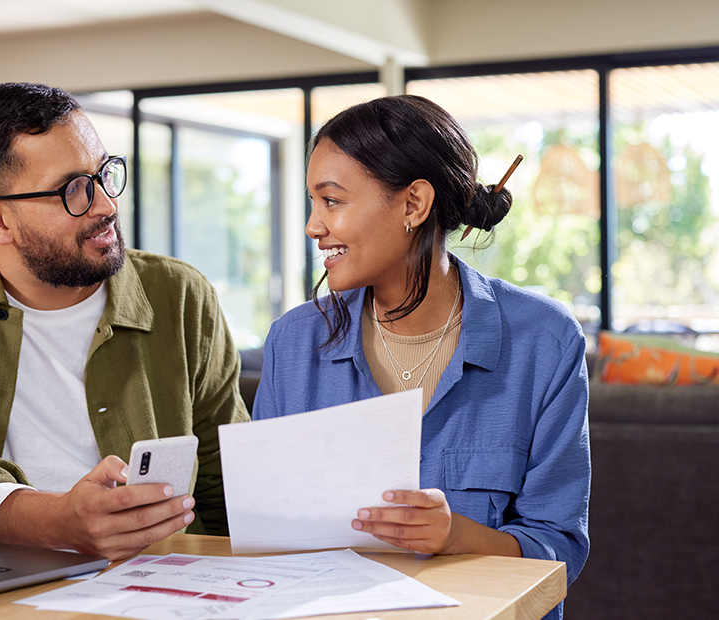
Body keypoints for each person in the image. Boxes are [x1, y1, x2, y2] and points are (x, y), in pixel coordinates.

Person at [0, 82, 249, 561]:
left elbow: (228, 475)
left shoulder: (180, 293)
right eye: (74, 191)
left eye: (105, 175)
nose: (106, 205)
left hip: (161, 573)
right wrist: (56, 522)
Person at [252, 95, 589, 619]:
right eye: (312, 203)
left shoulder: (544, 340)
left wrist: (457, 534)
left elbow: (559, 551)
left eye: (332, 201)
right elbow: (266, 538)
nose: (312, 226)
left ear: (413, 204)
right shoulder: (293, 344)